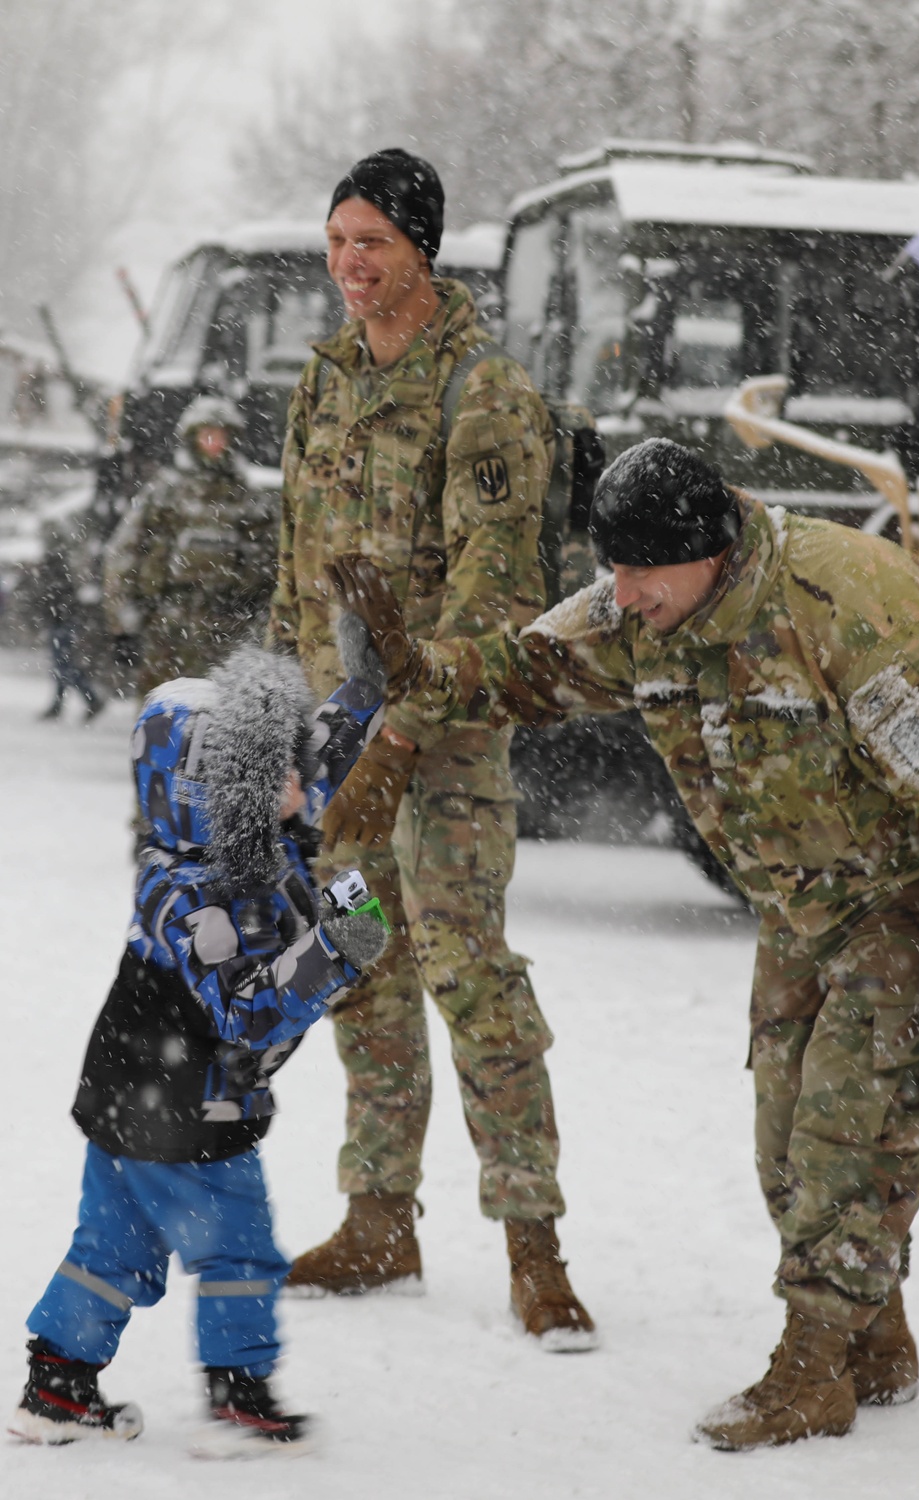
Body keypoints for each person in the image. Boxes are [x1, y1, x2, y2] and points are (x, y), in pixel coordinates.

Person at [327, 436, 919, 1450]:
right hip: (797, 908)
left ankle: (813, 1366)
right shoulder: (640, 608)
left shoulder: (844, 600)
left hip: (907, 898)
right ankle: (875, 1336)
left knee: (847, 1128)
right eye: (615, 569)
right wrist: (419, 674)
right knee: (782, 1141)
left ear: (714, 549)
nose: (626, 593)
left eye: (645, 570)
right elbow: (524, 669)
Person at [267, 146, 595, 1348]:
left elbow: (496, 594)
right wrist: (290, 720)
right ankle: (378, 1219)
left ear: (423, 251)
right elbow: (295, 564)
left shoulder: (485, 393)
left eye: (374, 245)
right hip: (337, 746)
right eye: (338, 242)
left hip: (442, 747)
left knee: (471, 977)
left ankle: (533, 1243)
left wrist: (400, 733)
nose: (351, 268)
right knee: (357, 963)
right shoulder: (326, 381)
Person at [9, 631, 390, 1456]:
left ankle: (56, 1387)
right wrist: (333, 952)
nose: (297, 783)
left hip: (127, 1095)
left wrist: (371, 681)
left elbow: (318, 760)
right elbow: (249, 1014)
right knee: (238, 1246)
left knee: (113, 1245)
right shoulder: (188, 896)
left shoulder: (244, 828)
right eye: (268, 774)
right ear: (216, 793)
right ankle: (241, 1396)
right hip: (187, 1107)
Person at [103, 395, 278, 698]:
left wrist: (259, 618)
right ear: (192, 438)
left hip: (228, 629)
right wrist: (123, 624)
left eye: (221, 435)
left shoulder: (249, 498)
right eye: (206, 433)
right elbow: (123, 554)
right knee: (163, 719)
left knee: (220, 721)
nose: (213, 442)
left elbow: (273, 563)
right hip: (168, 628)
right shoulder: (164, 492)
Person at [36, 518, 105, 723]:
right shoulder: (61, 559)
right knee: (63, 665)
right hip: (63, 620)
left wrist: (54, 614)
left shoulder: (55, 562)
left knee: (64, 666)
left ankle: (90, 699)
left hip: (62, 621)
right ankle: (62, 703)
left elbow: (57, 594)